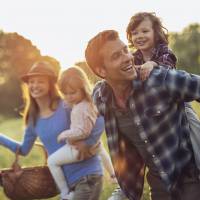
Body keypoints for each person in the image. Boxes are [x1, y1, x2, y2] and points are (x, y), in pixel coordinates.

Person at [85, 29, 200, 200]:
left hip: (189, 182)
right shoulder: (101, 98)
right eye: (117, 56)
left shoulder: (159, 80)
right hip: (159, 188)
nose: (128, 57)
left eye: (125, 50)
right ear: (102, 71)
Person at [0, 61, 104, 200]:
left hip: (86, 175)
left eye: (40, 81)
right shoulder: (33, 119)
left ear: (50, 84)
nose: (35, 85)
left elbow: (99, 119)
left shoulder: (66, 104)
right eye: (32, 81)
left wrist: (88, 142)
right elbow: (24, 149)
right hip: (66, 184)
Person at [47, 66, 117, 199]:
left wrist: (64, 135)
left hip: (77, 148)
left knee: (52, 161)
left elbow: (82, 131)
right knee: (100, 148)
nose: (68, 97)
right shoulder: (90, 102)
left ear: (83, 88)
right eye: (65, 93)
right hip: (91, 144)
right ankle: (113, 175)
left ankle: (65, 192)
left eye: (72, 93)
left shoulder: (80, 108)